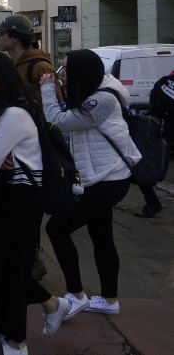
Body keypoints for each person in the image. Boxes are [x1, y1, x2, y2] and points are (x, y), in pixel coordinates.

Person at [0, 52, 70, 355]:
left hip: (21, 201)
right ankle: (54, 304)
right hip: (7, 200)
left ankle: (16, 342)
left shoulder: (14, 114)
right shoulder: (3, 110)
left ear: (0, 79)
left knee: (8, 274)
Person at [40, 49, 139, 319]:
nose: (60, 75)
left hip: (108, 179)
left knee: (57, 228)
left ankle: (76, 295)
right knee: (102, 237)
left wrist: (48, 89)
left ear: (81, 73)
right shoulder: (95, 93)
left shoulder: (102, 99)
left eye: (65, 70)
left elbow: (58, 122)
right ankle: (109, 300)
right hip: (103, 177)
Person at [0, 14, 59, 280]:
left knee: (27, 222)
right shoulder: (14, 64)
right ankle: (26, 265)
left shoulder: (39, 67)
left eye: (2, 34)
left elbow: (52, 113)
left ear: (15, 37)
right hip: (18, 147)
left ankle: (30, 268)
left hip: (35, 151)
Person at [139, 71, 174, 218]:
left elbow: (155, 101)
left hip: (165, 129)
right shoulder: (166, 83)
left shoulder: (166, 82)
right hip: (167, 129)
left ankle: (153, 202)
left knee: (142, 165)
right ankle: (152, 202)